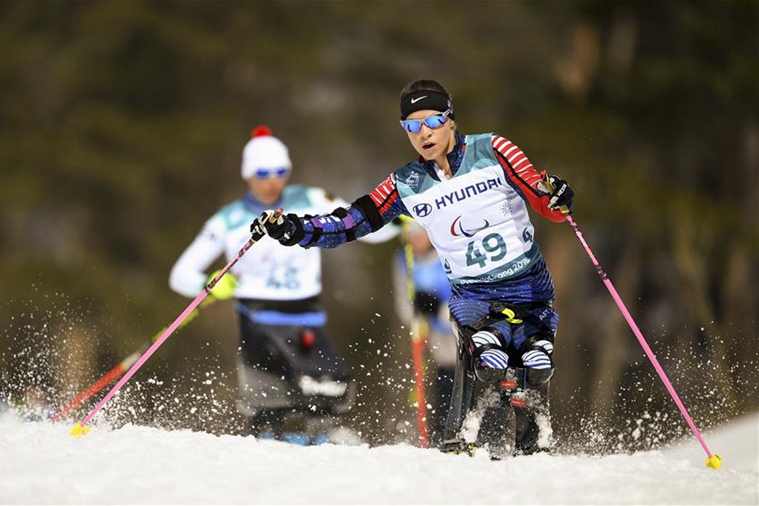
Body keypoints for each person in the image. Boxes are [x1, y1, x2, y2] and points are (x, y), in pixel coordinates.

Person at [251, 79, 574, 458]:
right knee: (487, 361)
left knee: (534, 364)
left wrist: (557, 194)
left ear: (450, 119)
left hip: (527, 286)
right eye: (412, 126)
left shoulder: (494, 149)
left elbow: (542, 196)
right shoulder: (406, 183)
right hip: (475, 297)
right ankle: (465, 441)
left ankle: (533, 445)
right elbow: (350, 222)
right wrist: (292, 228)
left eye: (432, 121)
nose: (424, 133)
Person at [169, 126, 398, 444]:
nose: (272, 180)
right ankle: (268, 438)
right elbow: (180, 274)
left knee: (326, 392)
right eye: (263, 172)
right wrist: (209, 285)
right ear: (248, 174)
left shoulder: (312, 199)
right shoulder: (229, 219)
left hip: (305, 316)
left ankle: (326, 439)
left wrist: (402, 219)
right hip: (257, 319)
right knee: (269, 401)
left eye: (280, 171)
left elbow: (364, 227)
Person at [392, 220, 455, 446]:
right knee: (439, 378)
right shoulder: (404, 261)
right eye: (411, 233)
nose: (416, 238)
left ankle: (455, 431)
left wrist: (438, 308)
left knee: (457, 375)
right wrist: (416, 311)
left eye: (421, 232)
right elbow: (404, 303)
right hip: (432, 336)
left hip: (460, 332)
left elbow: (467, 300)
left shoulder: (449, 254)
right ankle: (437, 435)